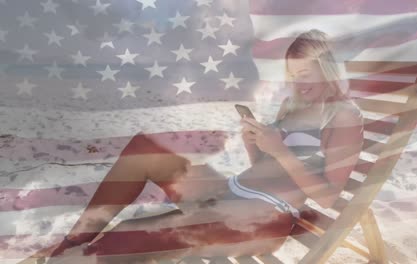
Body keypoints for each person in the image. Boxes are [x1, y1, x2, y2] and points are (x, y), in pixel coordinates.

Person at [25, 29, 364, 263]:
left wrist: (279, 150)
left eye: (307, 72)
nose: (298, 81)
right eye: (293, 73)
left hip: (262, 218)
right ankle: (73, 242)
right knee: (144, 149)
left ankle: (77, 257)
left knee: (129, 234)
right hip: (231, 192)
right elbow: (268, 166)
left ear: (328, 69)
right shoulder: (293, 106)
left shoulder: (344, 116)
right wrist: (255, 146)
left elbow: (327, 197)